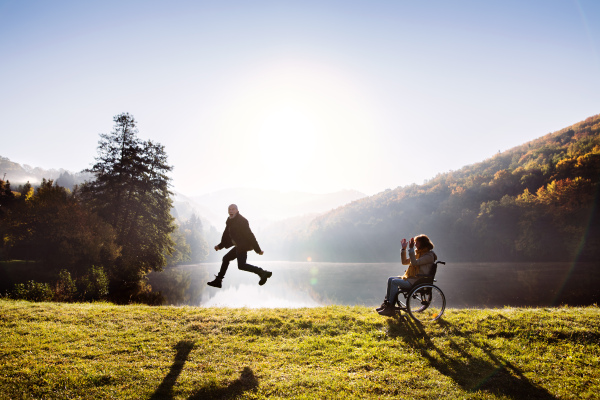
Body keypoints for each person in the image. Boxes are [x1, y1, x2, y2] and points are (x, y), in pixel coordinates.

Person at [207, 204, 272, 288]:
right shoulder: (230, 221)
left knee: (241, 265)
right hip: (239, 246)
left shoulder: (242, 221)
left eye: (233, 209)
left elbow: (250, 235)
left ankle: (262, 272)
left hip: (244, 245)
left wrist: (258, 250)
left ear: (237, 211)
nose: (231, 211)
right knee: (226, 259)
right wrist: (220, 246)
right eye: (229, 209)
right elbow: (226, 235)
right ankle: (218, 281)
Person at [376, 234, 437, 316]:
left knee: (394, 282)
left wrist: (411, 249)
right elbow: (404, 262)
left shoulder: (429, 256)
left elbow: (414, 263)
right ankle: (387, 304)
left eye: (416, 243)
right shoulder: (419, 254)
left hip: (417, 281)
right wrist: (404, 249)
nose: (415, 245)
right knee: (390, 279)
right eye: (414, 243)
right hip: (412, 279)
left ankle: (390, 308)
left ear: (422, 244)